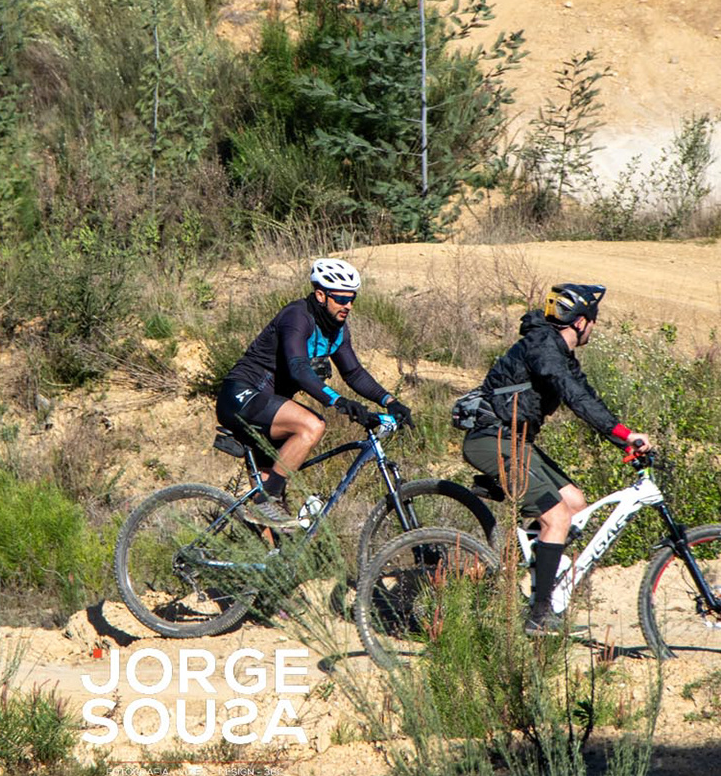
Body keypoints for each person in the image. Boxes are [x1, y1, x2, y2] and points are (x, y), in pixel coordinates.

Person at [460, 284, 653, 636]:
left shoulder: (560, 353)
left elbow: (587, 398)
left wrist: (623, 437)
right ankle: (539, 615)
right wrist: (624, 435)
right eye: (593, 321)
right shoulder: (544, 349)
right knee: (558, 516)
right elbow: (572, 394)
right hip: (491, 440)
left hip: (515, 442)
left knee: (574, 504)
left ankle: (526, 566)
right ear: (581, 322)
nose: (593, 328)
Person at [215, 257, 414, 527]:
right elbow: (298, 368)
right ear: (321, 295)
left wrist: (390, 401)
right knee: (312, 425)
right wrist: (338, 401)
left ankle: (267, 541)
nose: (348, 305)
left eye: (352, 299)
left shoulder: (337, 329)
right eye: (341, 298)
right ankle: (264, 502)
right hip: (241, 396)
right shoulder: (297, 317)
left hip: (269, 406)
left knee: (276, 527)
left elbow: (353, 373)